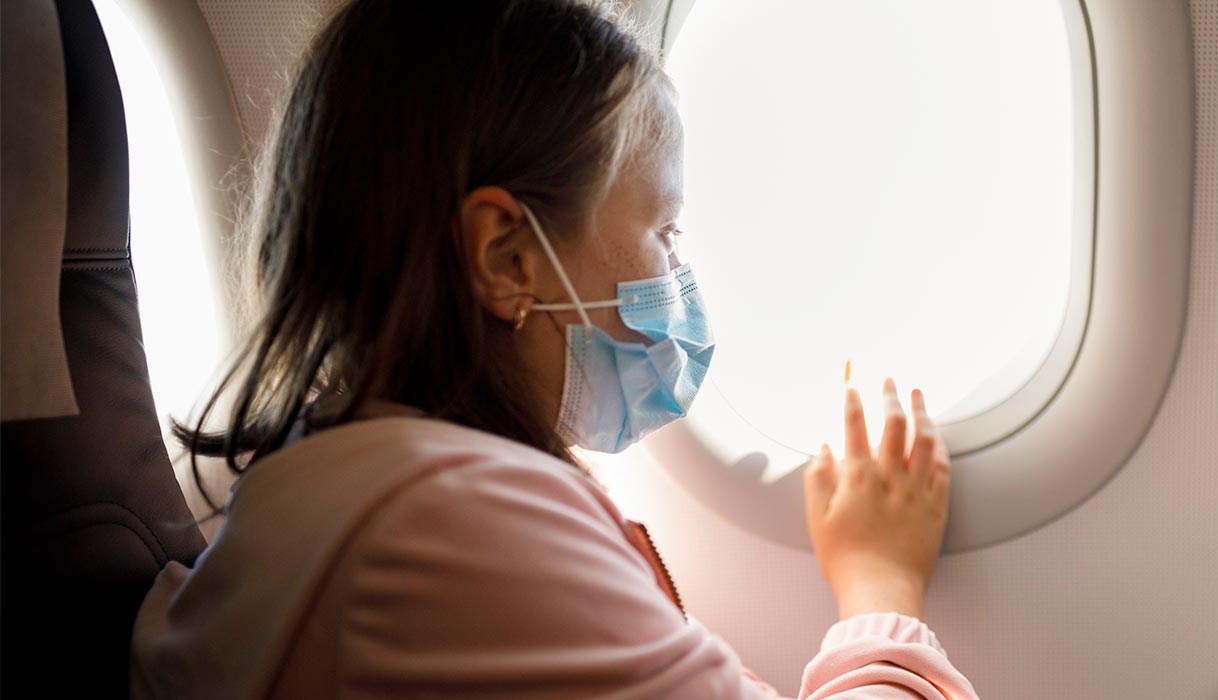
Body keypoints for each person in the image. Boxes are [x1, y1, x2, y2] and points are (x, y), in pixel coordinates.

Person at [128, 1, 979, 698]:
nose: (680, 275)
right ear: (507, 257)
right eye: (664, 231)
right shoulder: (448, 530)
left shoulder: (365, 488)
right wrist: (879, 584)